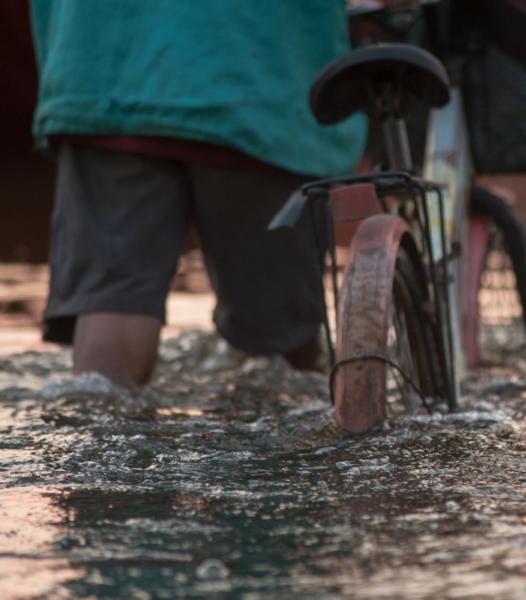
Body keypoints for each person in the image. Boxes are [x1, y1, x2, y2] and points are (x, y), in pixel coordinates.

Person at [29, 1, 367, 385]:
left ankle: (96, 430)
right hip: (258, 85)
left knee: (112, 307)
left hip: (102, 72)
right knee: (278, 345)